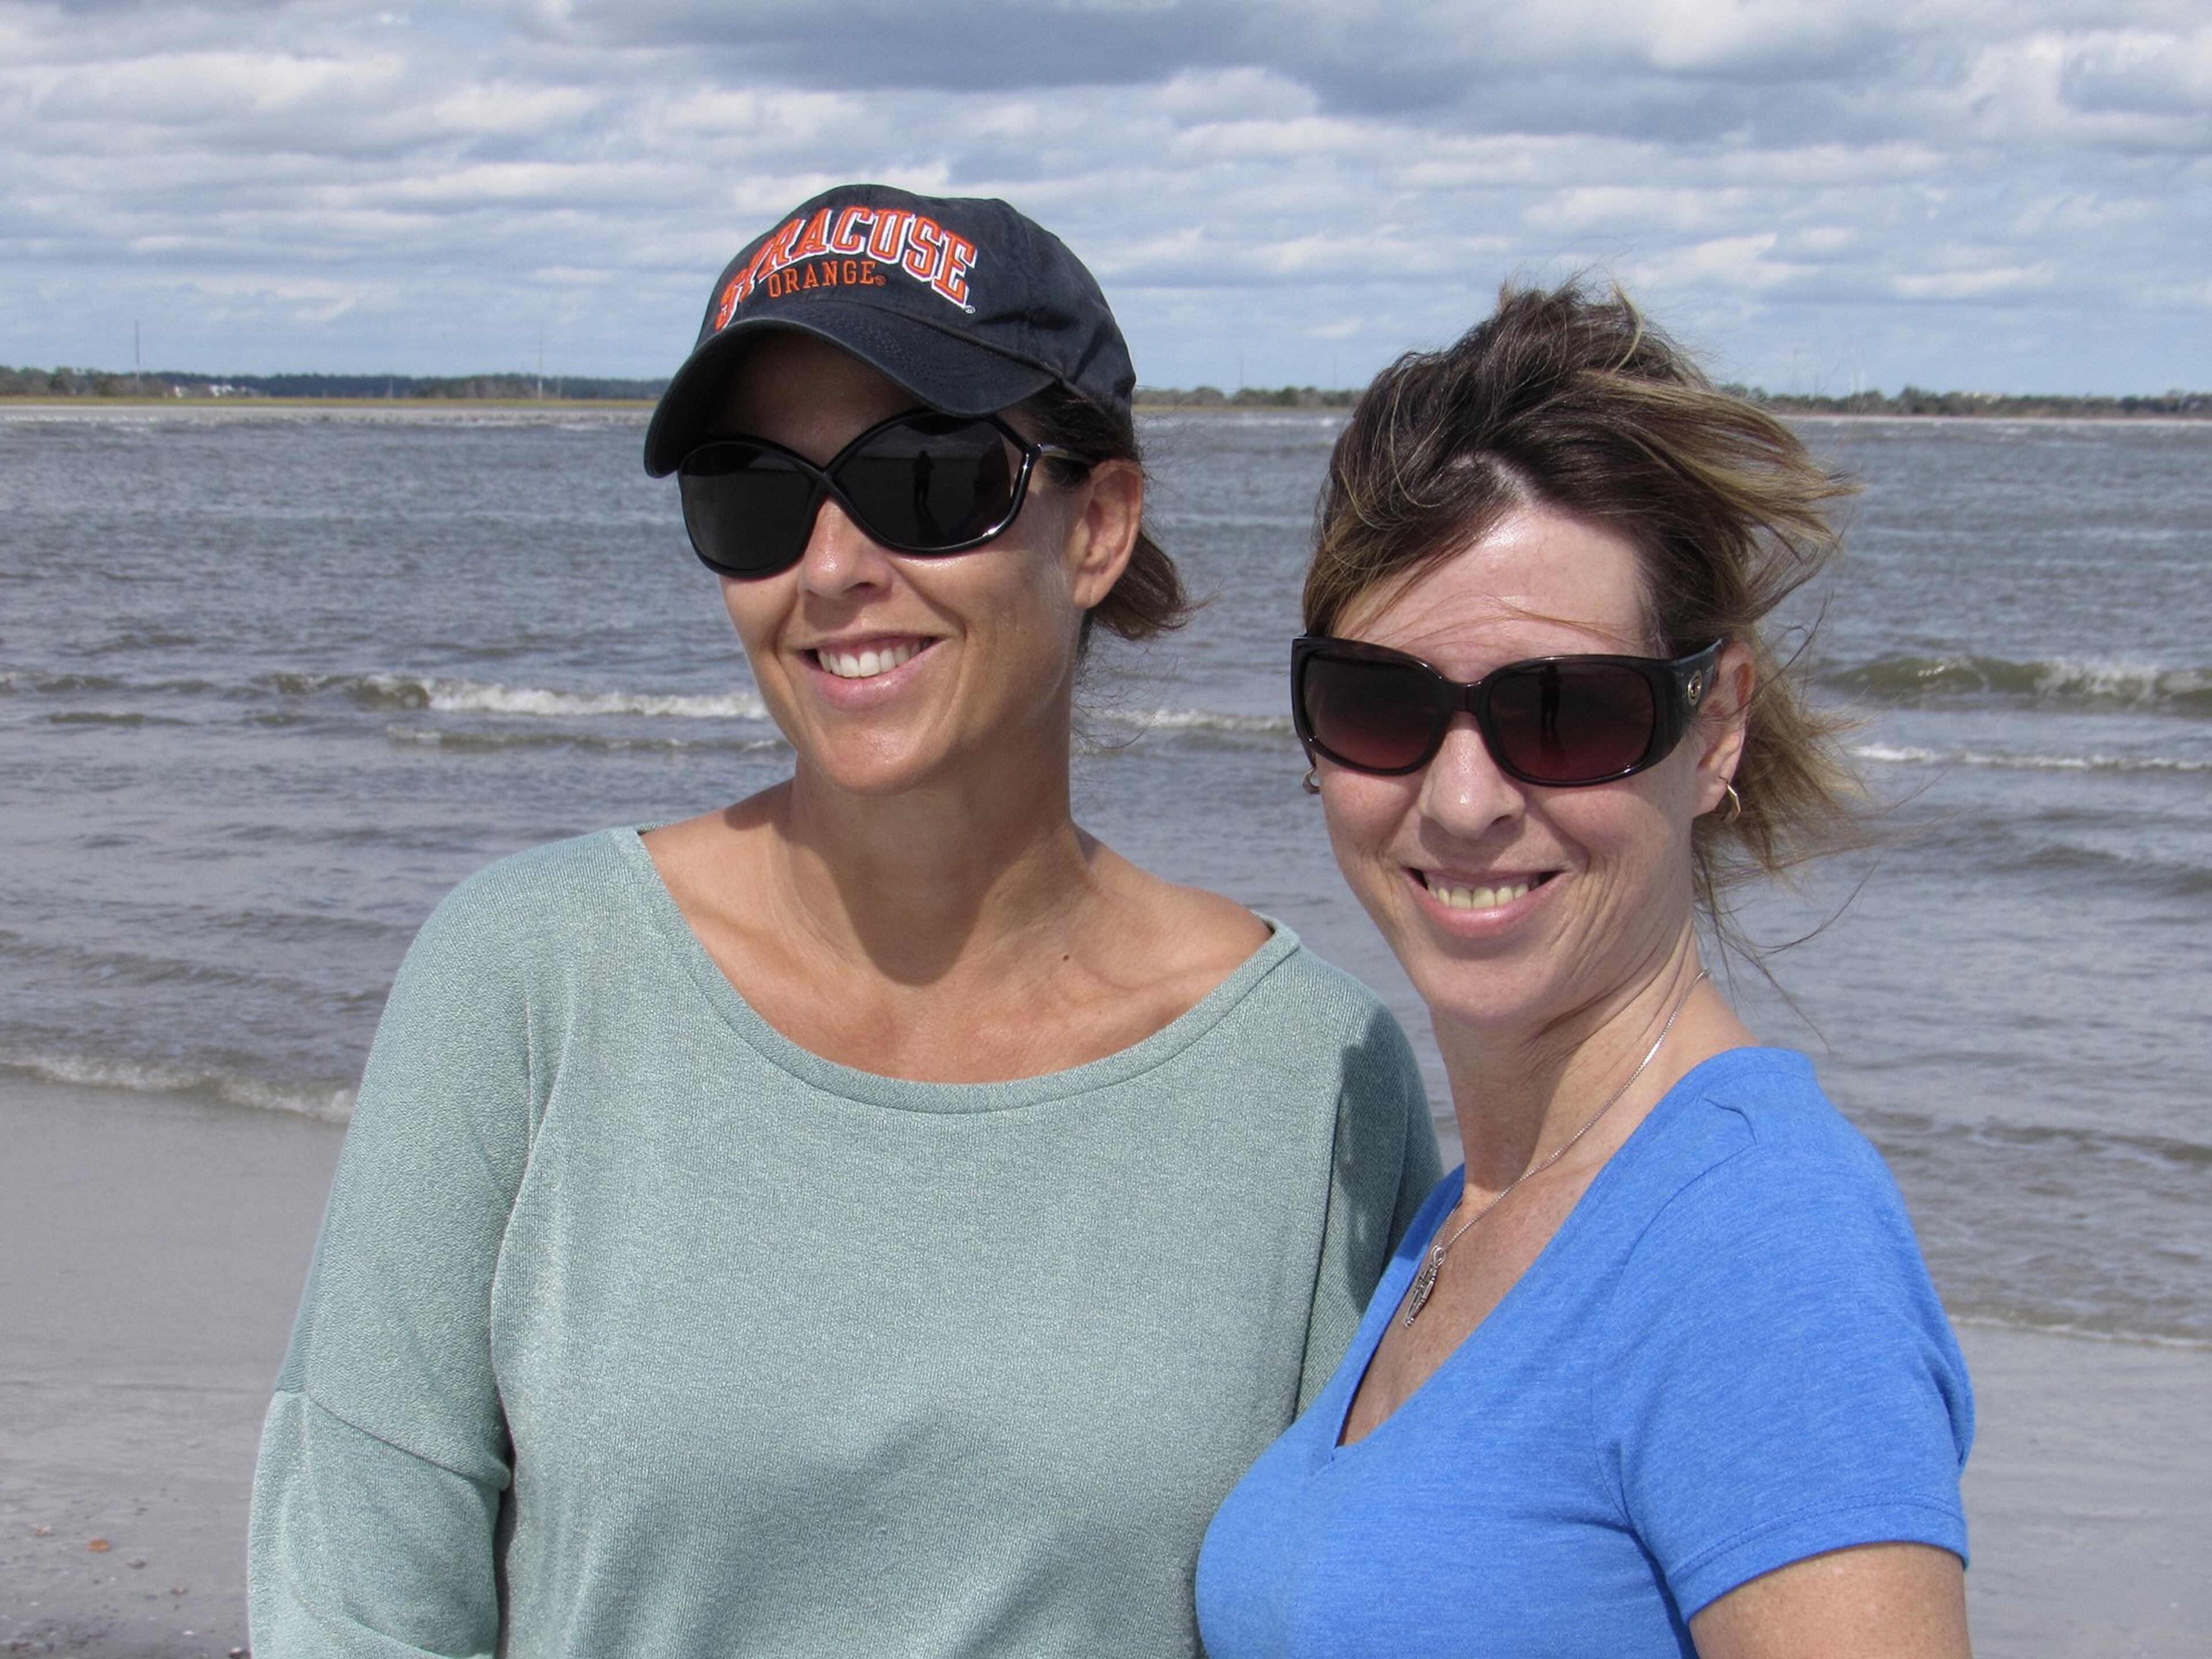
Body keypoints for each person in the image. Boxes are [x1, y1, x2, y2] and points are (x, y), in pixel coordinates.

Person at [246, 184, 1439, 1658]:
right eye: (753, 494)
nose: (828, 569)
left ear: (1100, 526)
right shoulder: (526, 981)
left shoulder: (1314, 1076)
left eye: (925, 478)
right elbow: (358, 1591)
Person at [1195, 284, 1974, 1658]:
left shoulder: (1760, 1239)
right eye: (1382, 703)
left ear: (1714, 728)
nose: (1464, 799)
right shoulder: (1466, 1215)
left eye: (1561, 713)